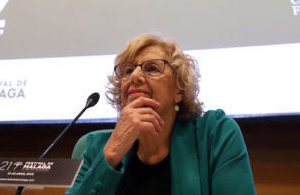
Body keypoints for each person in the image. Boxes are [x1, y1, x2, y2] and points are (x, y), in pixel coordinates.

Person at [66, 33, 256, 195]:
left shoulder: (215, 135)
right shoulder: (94, 148)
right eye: (128, 70)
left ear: (179, 91)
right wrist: (112, 153)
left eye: (152, 68)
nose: (134, 77)